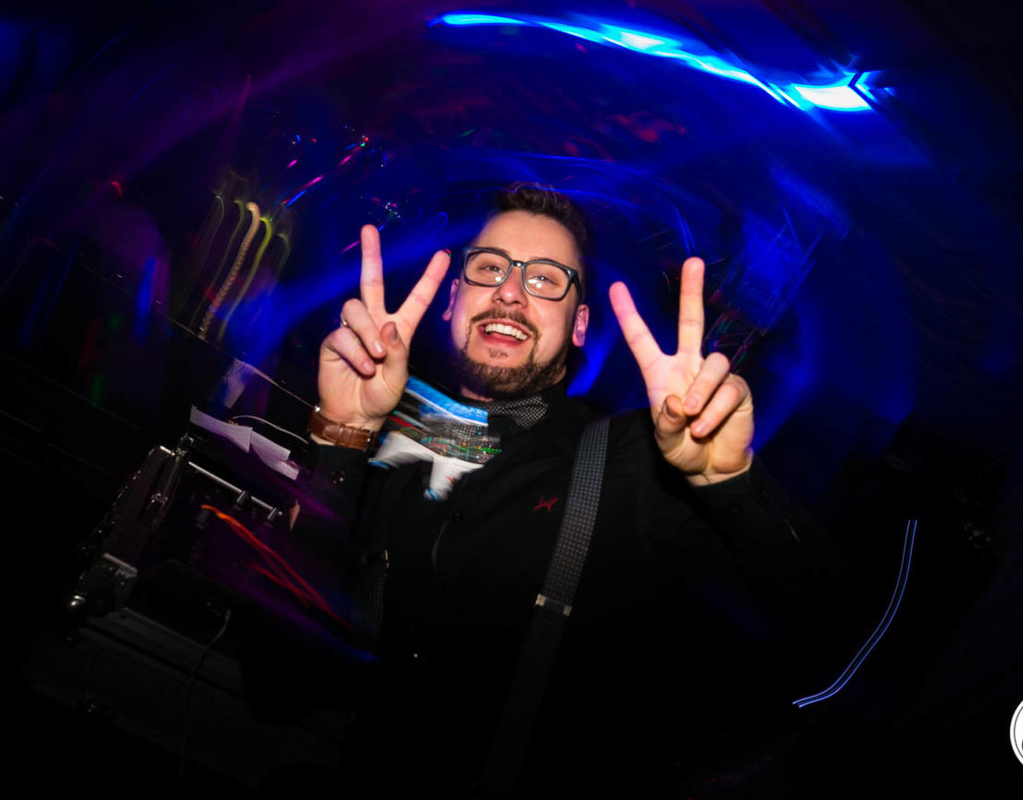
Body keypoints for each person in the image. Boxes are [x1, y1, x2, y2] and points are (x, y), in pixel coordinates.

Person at [307, 185, 842, 797]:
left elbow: (820, 630)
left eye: (544, 280)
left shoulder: (634, 464)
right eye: (490, 269)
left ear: (579, 325)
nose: (510, 293)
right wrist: (342, 435)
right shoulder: (395, 439)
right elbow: (283, 681)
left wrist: (728, 481)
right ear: (452, 300)